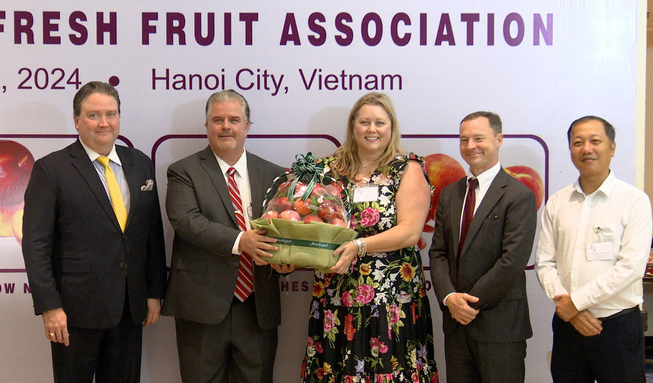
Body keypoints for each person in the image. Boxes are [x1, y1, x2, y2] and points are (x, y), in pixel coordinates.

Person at [21, 81, 167, 383]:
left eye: (111, 114)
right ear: (76, 120)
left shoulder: (139, 162)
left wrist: (154, 291)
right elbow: (36, 244)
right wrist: (50, 306)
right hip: (74, 312)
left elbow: (151, 233)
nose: (104, 123)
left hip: (130, 308)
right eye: (93, 115)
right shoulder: (52, 169)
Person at [300, 92, 438, 382]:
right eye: (364, 122)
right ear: (353, 126)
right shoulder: (327, 170)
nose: (372, 129)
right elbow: (308, 219)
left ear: (391, 127)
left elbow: (410, 231)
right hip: (335, 294)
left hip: (391, 300)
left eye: (380, 122)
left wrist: (358, 246)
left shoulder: (407, 169)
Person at [162, 89, 292, 383]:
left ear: (247, 126)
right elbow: (186, 221)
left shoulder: (275, 175)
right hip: (202, 305)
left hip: (257, 307)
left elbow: (285, 228)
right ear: (206, 126)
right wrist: (240, 242)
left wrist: (288, 261)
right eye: (217, 119)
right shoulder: (183, 171)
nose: (226, 126)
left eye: (234, 119)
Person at [535, 116, 652, 383]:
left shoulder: (634, 201)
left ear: (612, 148)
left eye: (595, 141)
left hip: (617, 326)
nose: (586, 148)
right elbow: (544, 263)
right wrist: (570, 310)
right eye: (578, 143)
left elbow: (630, 267)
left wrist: (576, 303)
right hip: (568, 327)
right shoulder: (557, 202)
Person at [429, 111, 536, 383]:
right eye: (464, 140)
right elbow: (438, 252)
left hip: (499, 326)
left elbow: (511, 261)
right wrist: (450, 298)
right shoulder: (450, 194)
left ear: (499, 139)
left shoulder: (518, 195)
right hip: (456, 325)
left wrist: (469, 303)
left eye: (479, 138)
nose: (470, 146)